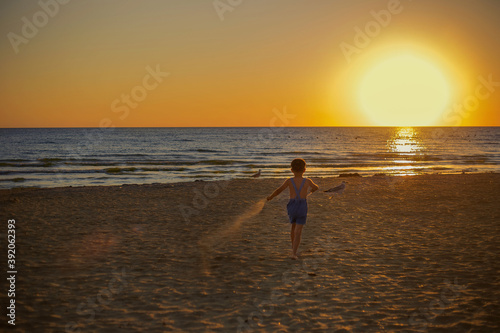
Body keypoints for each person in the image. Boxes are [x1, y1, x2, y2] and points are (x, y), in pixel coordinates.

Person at [267, 158, 319, 259]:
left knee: (293, 227)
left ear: (292, 170)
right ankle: (294, 253)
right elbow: (316, 187)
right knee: (298, 230)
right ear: (304, 170)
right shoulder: (307, 181)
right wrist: (312, 190)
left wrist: (270, 197)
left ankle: (293, 249)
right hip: (302, 206)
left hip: (292, 205)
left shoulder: (289, 181)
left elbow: (279, 190)